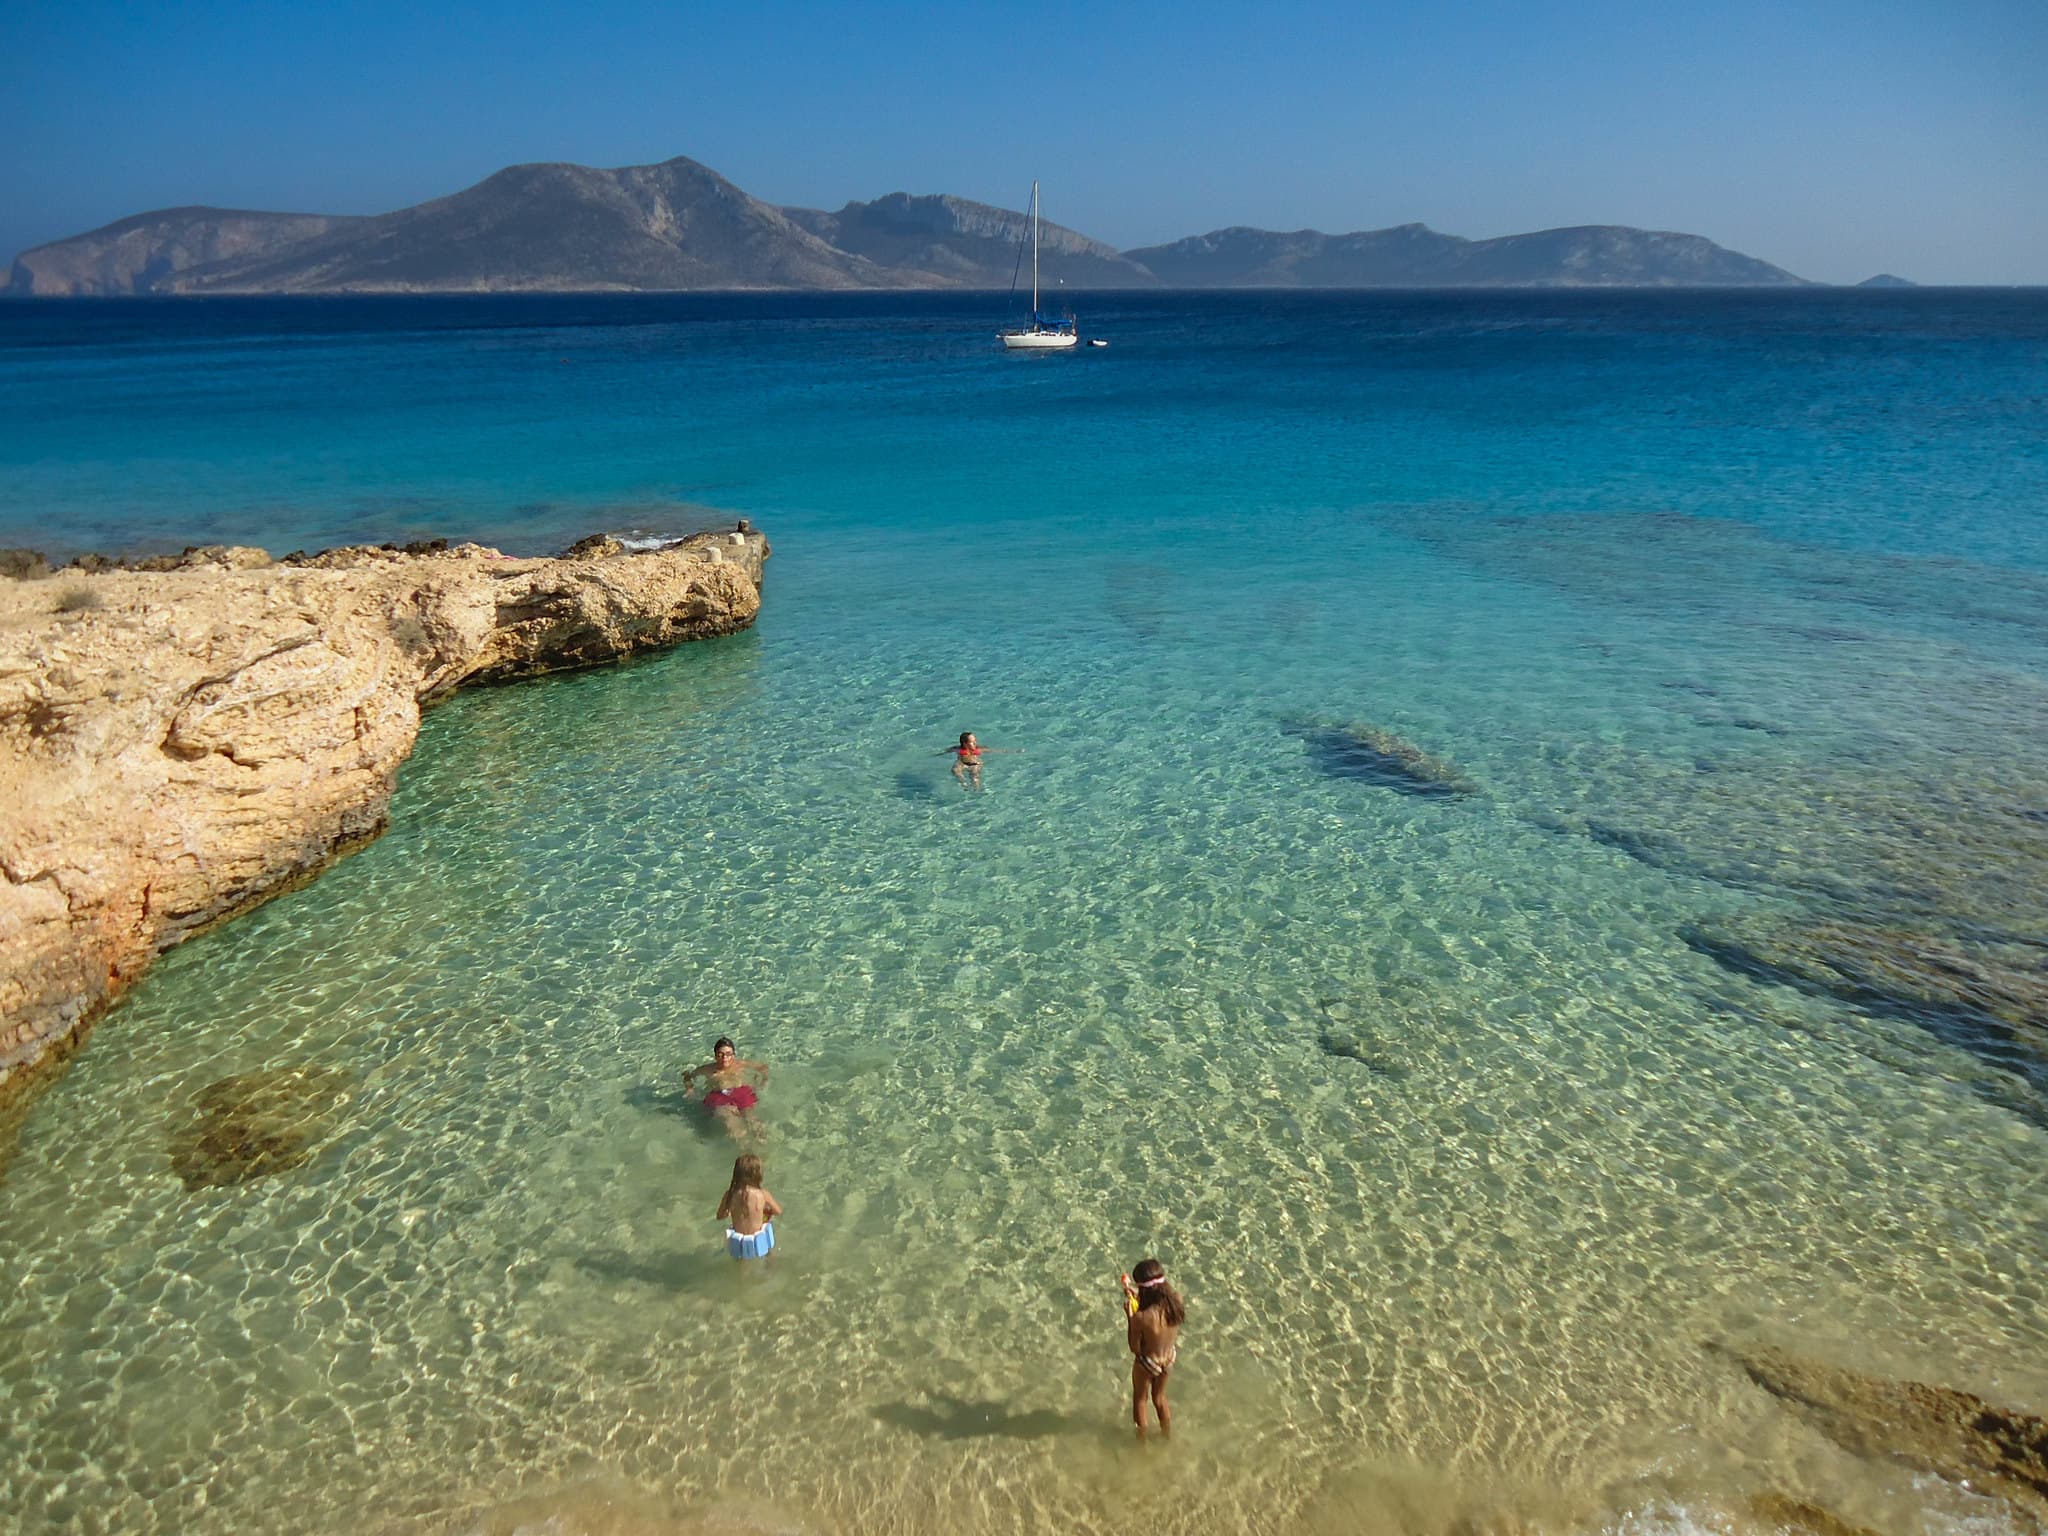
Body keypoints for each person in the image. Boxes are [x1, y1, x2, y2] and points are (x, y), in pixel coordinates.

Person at [1122, 1258, 1185, 1438]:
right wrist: (1135, 1294)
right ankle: (1167, 1436)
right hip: (1169, 1358)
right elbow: (1156, 1304)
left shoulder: (1142, 1317)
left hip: (1148, 1361)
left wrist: (1130, 1317)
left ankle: (1141, 1443)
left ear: (1143, 1288)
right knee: (1160, 1398)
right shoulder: (1177, 1301)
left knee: (1140, 1400)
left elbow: (1135, 1348)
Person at [682, 1037, 769, 1140]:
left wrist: (763, 1081)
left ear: (733, 1055)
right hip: (720, 1097)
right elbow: (687, 1076)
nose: (724, 1058)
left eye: (728, 1054)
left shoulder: (741, 1065)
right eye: (721, 1054)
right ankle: (745, 1150)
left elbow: (763, 1068)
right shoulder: (708, 1069)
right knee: (732, 1125)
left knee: (753, 1121)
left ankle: (763, 1149)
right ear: (715, 1055)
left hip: (740, 1093)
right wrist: (690, 1089)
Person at [716, 1153, 782, 1261]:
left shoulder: (730, 1195)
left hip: (739, 1244)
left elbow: (720, 1216)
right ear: (757, 1174)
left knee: (742, 1268)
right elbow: (778, 1211)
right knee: (769, 1256)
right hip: (759, 1241)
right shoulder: (763, 1194)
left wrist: (729, 1212)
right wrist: (765, 1210)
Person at [939, 731, 1017, 790]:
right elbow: (943, 752)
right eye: (972, 742)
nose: (975, 743)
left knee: (974, 774)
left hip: (975, 763)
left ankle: (976, 790)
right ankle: (964, 784)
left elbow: (997, 751)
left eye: (975, 740)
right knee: (955, 770)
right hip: (962, 763)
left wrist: (1014, 751)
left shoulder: (980, 749)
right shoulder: (957, 749)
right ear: (965, 744)